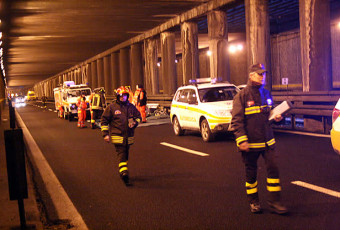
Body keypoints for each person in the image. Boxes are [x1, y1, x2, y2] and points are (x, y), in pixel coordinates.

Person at [231, 63, 288, 215]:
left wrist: (278, 118)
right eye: (259, 74)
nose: (262, 77)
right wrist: (242, 140)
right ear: (251, 76)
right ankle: (254, 202)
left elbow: (269, 115)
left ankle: (275, 202)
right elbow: (237, 121)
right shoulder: (241, 96)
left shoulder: (267, 93)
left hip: (268, 142)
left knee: (273, 171)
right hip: (251, 143)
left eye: (263, 74)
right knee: (251, 173)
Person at [101, 86, 141, 186]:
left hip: (129, 136)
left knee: (126, 153)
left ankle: (123, 169)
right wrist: (105, 134)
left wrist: (135, 123)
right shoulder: (112, 107)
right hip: (117, 136)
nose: (123, 98)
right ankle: (124, 174)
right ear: (118, 96)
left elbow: (139, 117)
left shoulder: (131, 107)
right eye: (121, 96)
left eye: (125, 96)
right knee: (122, 153)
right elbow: (104, 120)